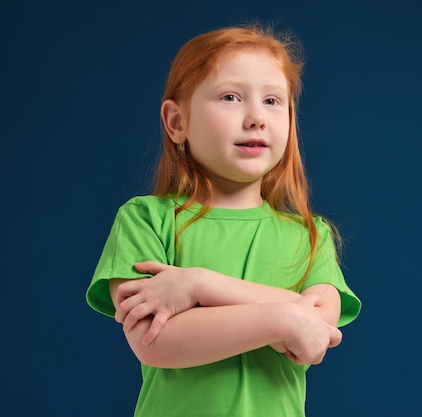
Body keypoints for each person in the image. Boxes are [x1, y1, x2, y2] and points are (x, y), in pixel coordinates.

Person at [85, 23, 361, 417]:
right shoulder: (144, 220)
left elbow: (317, 336)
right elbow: (154, 341)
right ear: (177, 123)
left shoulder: (310, 236)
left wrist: (199, 285)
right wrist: (285, 317)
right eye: (231, 97)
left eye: (272, 101)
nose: (256, 118)